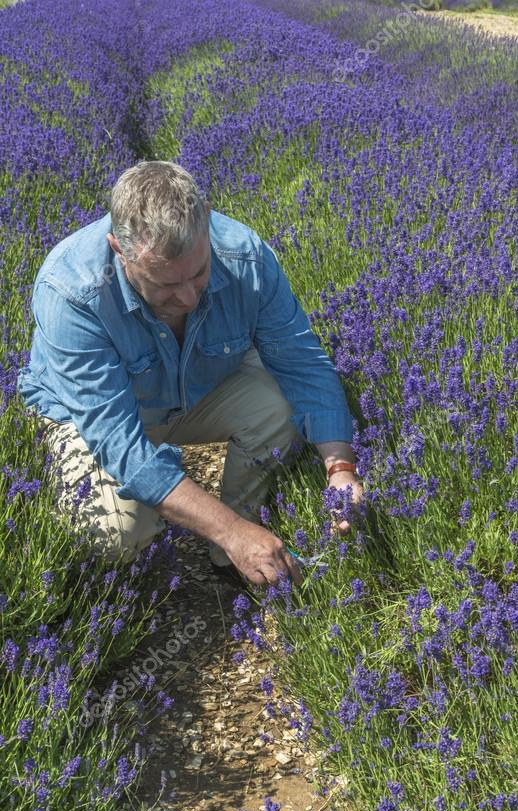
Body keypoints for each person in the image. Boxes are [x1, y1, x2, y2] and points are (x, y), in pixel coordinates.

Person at [17, 161, 362, 587]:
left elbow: (303, 363)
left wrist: (340, 469)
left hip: (194, 392)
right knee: (114, 534)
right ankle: (208, 544)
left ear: (208, 220)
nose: (186, 297)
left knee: (279, 406)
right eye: (163, 284)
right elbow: (119, 443)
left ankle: (235, 556)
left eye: (199, 275)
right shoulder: (73, 291)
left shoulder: (244, 257)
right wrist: (230, 531)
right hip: (94, 420)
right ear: (118, 250)